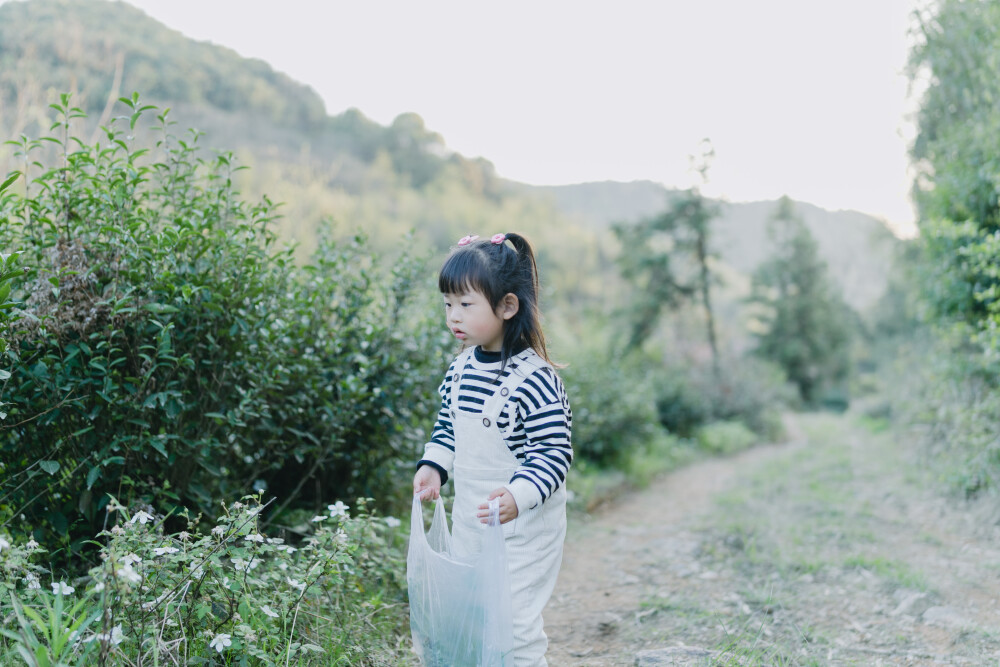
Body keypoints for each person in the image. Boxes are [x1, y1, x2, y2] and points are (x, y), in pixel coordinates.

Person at [413, 232, 573, 667]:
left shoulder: (536, 380)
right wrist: (435, 466)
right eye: (448, 304)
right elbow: (449, 427)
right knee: (476, 614)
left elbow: (552, 453)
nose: (453, 316)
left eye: (466, 305)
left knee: (514, 624)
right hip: (473, 518)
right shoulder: (460, 369)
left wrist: (517, 496)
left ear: (506, 306)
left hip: (525, 527)